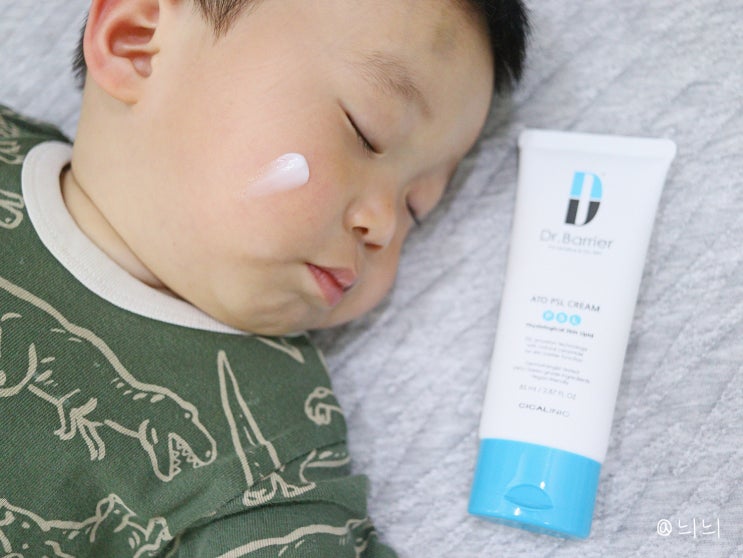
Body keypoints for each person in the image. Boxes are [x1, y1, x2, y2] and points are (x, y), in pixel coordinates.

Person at [0, 0, 529, 555]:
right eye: (367, 133)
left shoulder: (270, 458)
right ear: (137, 43)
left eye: (415, 208)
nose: (384, 225)